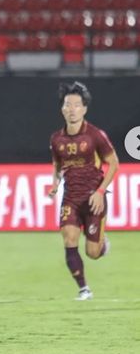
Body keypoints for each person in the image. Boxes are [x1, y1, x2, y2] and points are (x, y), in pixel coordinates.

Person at [48, 81, 119, 301]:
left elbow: (114, 163)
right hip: (70, 197)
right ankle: (84, 289)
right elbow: (58, 165)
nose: (72, 109)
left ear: (85, 109)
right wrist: (55, 183)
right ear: (62, 109)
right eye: (68, 105)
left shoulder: (95, 135)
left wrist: (100, 191)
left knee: (92, 252)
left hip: (93, 198)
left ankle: (101, 244)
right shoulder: (56, 139)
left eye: (77, 105)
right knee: (69, 238)